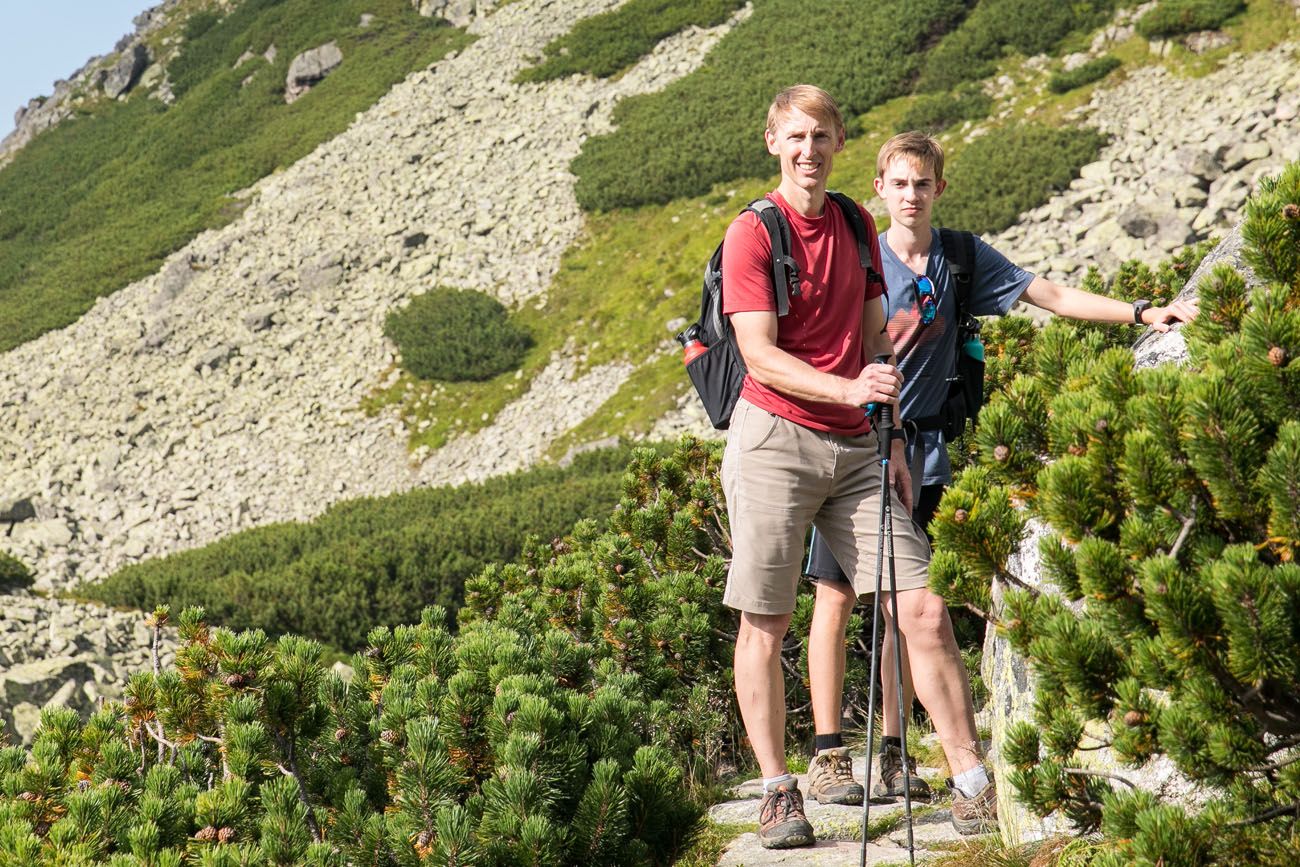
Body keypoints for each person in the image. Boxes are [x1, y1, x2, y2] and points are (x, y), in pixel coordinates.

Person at [803, 130, 1199, 829]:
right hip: (859, 447)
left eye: (922, 183)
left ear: (939, 188)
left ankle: (896, 749)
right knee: (835, 594)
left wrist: (1142, 312)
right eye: (898, 183)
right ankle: (830, 753)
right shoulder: (861, 257)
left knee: (910, 604)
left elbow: (1047, 293)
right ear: (879, 188)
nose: (910, 195)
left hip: (929, 454)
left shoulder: (960, 258)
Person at [720, 88, 987, 850]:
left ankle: (969, 776)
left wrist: (895, 440)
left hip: (860, 447)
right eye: (795, 136)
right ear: (773, 140)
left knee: (923, 608)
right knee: (766, 619)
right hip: (775, 437)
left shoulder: (854, 222)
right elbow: (758, 353)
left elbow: (875, 336)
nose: (809, 149)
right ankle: (779, 789)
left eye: (822, 136)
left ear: (840, 143)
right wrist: (847, 389)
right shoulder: (752, 234)